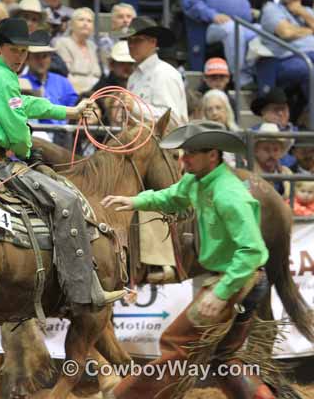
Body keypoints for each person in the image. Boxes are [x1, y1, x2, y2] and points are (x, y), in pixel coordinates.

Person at [0, 17, 124, 308]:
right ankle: (81, 289)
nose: (20, 57)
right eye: (14, 50)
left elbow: (25, 104)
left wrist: (70, 111)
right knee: (67, 200)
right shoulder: (1, 77)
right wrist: (27, 149)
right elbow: (17, 126)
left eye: (24, 52)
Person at [101, 121, 276, 399]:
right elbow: (173, 197)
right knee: (223, 358)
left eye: (191, 153)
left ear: (213, 155)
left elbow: (252, 250)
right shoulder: (197, 181)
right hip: (241, 279)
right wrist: (136, 201)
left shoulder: (228, 194)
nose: (183, 159)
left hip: (238, 278)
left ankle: (121, 397)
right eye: (183, 152)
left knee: (177, 342)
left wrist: (221, 293)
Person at [119, 16, 188, 125]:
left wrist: (135, 107)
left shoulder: (165, 73)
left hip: (162, 142)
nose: (131, 45)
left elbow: (172, 120)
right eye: (129, 40)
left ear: (153, 42)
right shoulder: (133, 76)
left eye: (138, 40)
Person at [182, 0, 256, 87]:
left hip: (243, 24)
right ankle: (242, 80)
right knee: (232, 29)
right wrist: (213, 15)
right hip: (209, 26)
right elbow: (190, 3)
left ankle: (256, 77)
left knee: (260, 32)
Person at [19, 37, 78, 142]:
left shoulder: (62, 81)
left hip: (63, 135)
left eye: (45, 56)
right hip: (33, 134)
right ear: (27, 60)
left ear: (50, 58)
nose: (41, 61)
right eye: (36, 57)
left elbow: (75, 104)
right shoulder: (20, 83)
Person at [54, 7, 101, 95]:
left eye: (89, 21)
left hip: (95, 95)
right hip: (73, 95)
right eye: (81, 19)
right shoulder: (63, 43)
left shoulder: (93, 46)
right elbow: (64, 75)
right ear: (71, 24)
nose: (85, 23)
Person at [253, 122, 293, 198]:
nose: (271, 154)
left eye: (275, 150)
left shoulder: (287, 173)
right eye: (266, 149)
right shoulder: (247, 172)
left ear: (281, 152)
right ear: (256, 151)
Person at [97, 3, 136, 74]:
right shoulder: (105, 41)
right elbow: (106, 68)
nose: (125, 20)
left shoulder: (139, 41)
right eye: (120, 17)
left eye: (129, 17)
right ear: (112, 21)